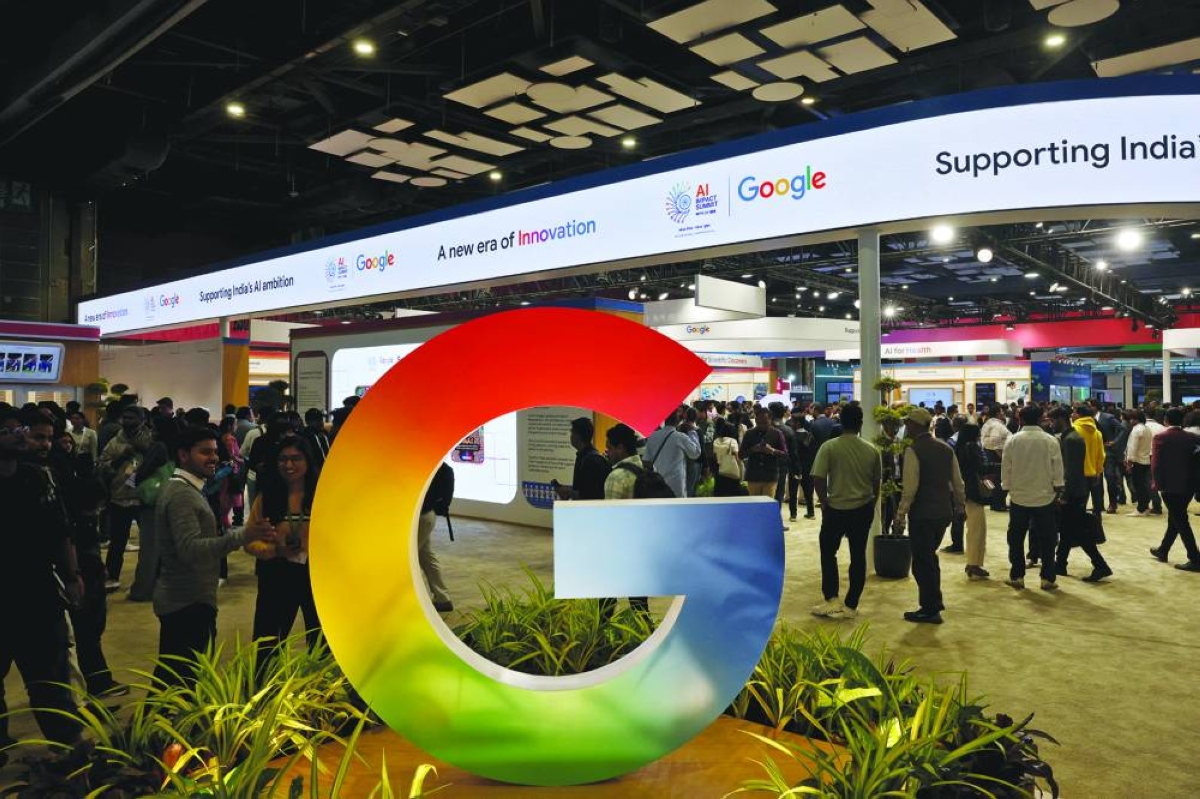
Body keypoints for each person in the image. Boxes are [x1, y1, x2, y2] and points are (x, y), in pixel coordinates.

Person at [153, 427, 271, 687]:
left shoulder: (188, 489)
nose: (214, 458)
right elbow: (191, 550)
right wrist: (243, 535)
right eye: (205, 452)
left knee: (176, 681)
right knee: (178, 683)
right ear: (183, 455)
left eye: (215, 452)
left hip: (190, 599)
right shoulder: (181, 494)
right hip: (185, 602)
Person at [0, 417, 82, 761]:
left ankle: (69, 747)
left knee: (50, 678)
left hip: (37, 593)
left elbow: (60, 531)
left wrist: (73, 575)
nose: (19, 435)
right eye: (7, 430)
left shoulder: (39, 477)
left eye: (20, 429)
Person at [245, 438, 323, 648]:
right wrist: (275, 550)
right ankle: (265, 682)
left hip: (318, 578)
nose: (289, 465)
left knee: (323, 644)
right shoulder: (267, 497)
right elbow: (250, 539)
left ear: (308, 461)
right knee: (269, 641)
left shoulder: (323, 496)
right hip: (276, 575)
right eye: (283, 459)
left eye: (296, 459)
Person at [809, 405, 881, 621]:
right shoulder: (872, 450)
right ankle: (851, 604)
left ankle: (831, 599)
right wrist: (871, 502)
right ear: (860, 423)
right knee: (858, 556)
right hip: (862, 508)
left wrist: (824, 502)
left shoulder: (829, 447)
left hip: (835, 509)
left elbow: (818, 478)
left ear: (841, 422)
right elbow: (876, 482)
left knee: (828, 553)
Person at [894, 408, 965, 624]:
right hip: (943, 512)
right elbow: (957, 482)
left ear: (915, 426)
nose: (906, 427)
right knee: (929, 557)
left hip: (922, 514)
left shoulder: (913, 450)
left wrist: (900, 514)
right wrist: (960, 507)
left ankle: (930, 608)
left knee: (922, 562)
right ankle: (934, 601)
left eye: (908, 424)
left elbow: (910, 487)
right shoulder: (946, 448)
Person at [1002, 405, 1064, 592]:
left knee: (1015, 537)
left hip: (1019, 496)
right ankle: (1047, 578)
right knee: (1048, 538)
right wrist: (1058, 487)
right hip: (1044, 496)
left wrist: (1007, 487)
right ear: (1041, 419)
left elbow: (1006, 467)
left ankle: (1017, 575)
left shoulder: (1012, 440)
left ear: (1020, 419)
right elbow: (1058, 467)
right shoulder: (1050, 440)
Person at [1051, 408, 1112, 583]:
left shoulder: (1072, 439)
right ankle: (1061, 563)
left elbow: (1071, 471)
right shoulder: (1074, 437)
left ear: (1062, 419)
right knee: (1068, 529)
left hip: (1073, 491)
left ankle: (1100, 565)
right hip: (1079, 488)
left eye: (1053, 420)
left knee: (1077, 530)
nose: (1051, 423)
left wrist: (1064, 494)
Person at [98, 405, 152, 590]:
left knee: (148, 543)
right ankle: (112, 576)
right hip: (119, 497)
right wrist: (122, 457)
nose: (127, 421)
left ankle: (145, 581)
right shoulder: (115, 442)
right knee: (117, 542)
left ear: (142, 420)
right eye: (125, 417)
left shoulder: (151, 440)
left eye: (132, 418)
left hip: (144, 498)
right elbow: (102, 465)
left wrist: (144, 451)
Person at [603, 423, 651, 614]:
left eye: (610, 446)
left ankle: (599, 639)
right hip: (642, 546)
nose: (607, 451)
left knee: (605, 598)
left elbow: (610, 517)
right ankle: (646, 637)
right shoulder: (646, 468)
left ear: (621, 448)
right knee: (639, 603)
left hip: (620, 546)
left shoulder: (617, 476)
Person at [1149, 407, 1200, 571]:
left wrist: (1157, 483)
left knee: (1180, 520)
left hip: (1170, 485)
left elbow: (1156, 464)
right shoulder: (1192, 437)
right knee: (1176, 517)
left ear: (1165, 420)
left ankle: (1195, 558)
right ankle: (1163, 550)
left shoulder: (1160, 437)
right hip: (1189, 485)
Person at [954, 424, 990, 580]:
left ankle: (973, 563)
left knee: (973, 528)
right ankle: (973, 565)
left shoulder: (959, 447)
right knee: (977, 529)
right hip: (974, 491)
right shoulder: (972, 447)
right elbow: (981, 467)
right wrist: (999, 466)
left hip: (966, 491)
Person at [643, 409, 700, 500]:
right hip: (675, 483)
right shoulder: (680, 437)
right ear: (678, 421)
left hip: (657, 481)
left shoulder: (653, 436)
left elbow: (646, 460)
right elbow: (695, 453)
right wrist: (692, 432)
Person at [740, 405, 789, 507]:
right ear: (755, 420)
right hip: (753, 476)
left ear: (770, 420)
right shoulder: (749, 433)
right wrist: (753, 449)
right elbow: (741, 454)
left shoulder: (777, 433)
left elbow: (785, 455)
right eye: (759, 422)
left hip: (770, 477)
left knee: (767, 507)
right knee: (753, 507)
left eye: (765, 422)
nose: (762, 425)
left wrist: (772, 451)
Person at [555, 417, 610, 501]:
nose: (571, 436)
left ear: (578, 436)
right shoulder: (586, 456)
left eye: (572, 433)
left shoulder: (591, 461)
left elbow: (589, 496)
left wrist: (569, 492)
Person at [1072, 404, 1107, 516]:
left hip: (1077, 474)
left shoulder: (1074, 430)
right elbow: (1101, 455)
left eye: (1074, 412)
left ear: (1079, 415)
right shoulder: (1097, 433)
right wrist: (1098, 471)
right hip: (1093, 473)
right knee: (1096, 503)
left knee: (1078, 506)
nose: (1072, 415)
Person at [1124, 410, 1158, 516]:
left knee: (1138, 486)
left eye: (1131, 419)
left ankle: (1141, 508)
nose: (1130, 421)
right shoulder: (1146, 428)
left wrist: (1129, 462)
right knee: (1143, 485)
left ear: (1136, 419)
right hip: (1146, 460)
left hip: (1137, 461)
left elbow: (1132, 447)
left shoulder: (1136, 430)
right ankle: (1145, 507)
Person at [771, 404, 801, 520]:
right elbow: (793, 453)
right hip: (783, 466)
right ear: (783, 413)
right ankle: (776, 521)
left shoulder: (766, 428)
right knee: (779, 494)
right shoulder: (788, 430)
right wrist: (797, 469)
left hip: (767, 466)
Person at [981, 404, 1011, 511]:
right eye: (1002, 412)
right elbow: (995, 442)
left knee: (996, 481)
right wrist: (1003, 458)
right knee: (999, 481)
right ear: (998, 413)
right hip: (996, 455)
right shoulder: (996, 425)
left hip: (992, 454)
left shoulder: (991, 423)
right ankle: (998, 504)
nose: (1004, 414)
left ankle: (998, 503)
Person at [711, 417, 744, 496]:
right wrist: (741, 472)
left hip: (719, 471)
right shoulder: (732, 441)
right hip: (731, 472)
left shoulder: (716, 441)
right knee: (733, 496)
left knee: (720, 496)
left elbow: (715, 456)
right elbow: (737, 458)